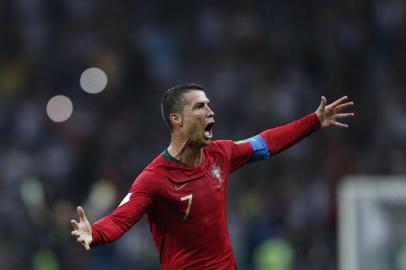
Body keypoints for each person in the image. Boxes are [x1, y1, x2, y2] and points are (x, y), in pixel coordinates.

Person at [70, 83, 354, 269]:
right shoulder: (155, 178)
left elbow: (266, 142)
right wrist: (93, 233)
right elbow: (121, 218)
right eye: (200, 107)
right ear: (176, 119)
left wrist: (313, 122)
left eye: (208, 105)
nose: (210, 111)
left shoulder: (221, 154)